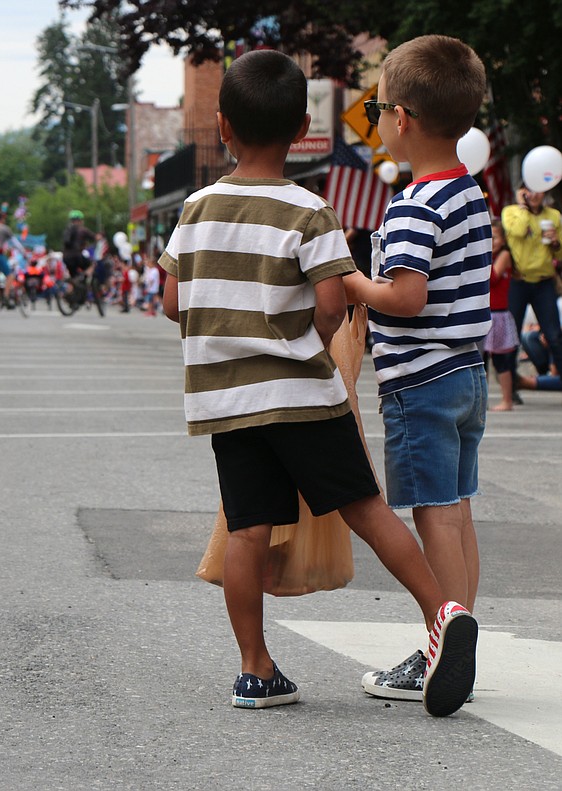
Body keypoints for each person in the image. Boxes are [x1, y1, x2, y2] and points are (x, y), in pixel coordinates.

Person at [163, 49, 475, 715]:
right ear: (303, 124)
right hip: (305, 395)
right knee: (367, 508)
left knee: (248, 530)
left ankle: (256, 669)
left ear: (221, 125)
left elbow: (171, 299)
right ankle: (442, 614)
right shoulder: (310, 210)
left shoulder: (194, 209)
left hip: (228, 401)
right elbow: (332, 302)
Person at [341, 36, 488, 707]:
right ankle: (458, 636)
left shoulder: (412, 205)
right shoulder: (471, 193)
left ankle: (441, 637)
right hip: (465, 374)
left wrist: (351, 278)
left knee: (432, 513)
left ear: (401, 118)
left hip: (418, 382)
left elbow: (404, 296)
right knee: (456, 511)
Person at [501, 183, 562, 376]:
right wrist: (523, 207)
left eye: (538, 190)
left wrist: (555, 242)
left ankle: (558, 380)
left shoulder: (553, 215)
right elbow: (518, 232)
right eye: (530, 190)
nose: (535, 194)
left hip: (543, 281)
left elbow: (560, 255)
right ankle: (511, 387)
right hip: (518, 281)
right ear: (522, 192)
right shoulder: (510, 212)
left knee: (553, 334)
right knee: (513, 334)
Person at [486, 221, 518, 411]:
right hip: (484, 314)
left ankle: (507, 400)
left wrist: (482, 257)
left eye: (495, 237)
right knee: (480, 362)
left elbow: (492, 278)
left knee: (500, 360)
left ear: (504, 239)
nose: (491, 242)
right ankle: (481, 400)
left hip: (497, 315)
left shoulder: (504, 255)